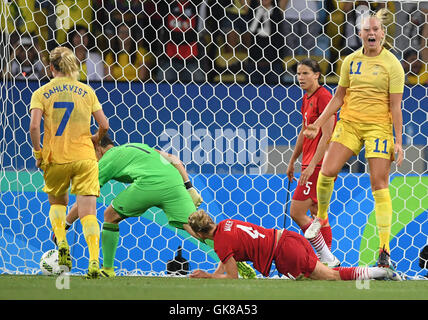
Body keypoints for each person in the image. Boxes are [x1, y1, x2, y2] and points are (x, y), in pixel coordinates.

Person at [58, 135, 257, 279]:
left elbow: (85, 199)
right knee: (197, 229)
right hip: (174, 182)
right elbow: (173, 159)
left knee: (109, 215)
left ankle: (108, 269)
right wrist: (189, 188)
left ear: (97, 148)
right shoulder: (137, 145)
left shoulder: (106, 160)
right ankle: (237, 263)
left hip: (149, 184)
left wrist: (65, 226)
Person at [302, 14, 405, 268]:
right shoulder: (350, 61)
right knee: (327, 170)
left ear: (383, 33)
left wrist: (399, 141)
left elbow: (396, 106)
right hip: (349, 124)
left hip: (378, 128)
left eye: (376, 29)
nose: (371, 33)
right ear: (360, 34)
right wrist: (318, 123)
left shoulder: (392, 65)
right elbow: (338, 98)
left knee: (378, 183)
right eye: (366, 29)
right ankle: (322, 217)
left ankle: (384, 250)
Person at [29, 46, 109, 278]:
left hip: (56, 158)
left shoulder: (42, 92)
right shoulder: (86, 91)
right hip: (85, 157)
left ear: (51, 67)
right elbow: (104, 125)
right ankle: (94, 262)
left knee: (58, 204)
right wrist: (95, 139)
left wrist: (38, 153)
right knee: (88, 213)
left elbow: (34, 127)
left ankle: (62, 244)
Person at [188, 210, 402, 281]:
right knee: (318, 281)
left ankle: (381, 272)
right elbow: (225, 262)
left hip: (286, 254)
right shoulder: (226, 224)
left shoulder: (221, 245)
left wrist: (207, 276)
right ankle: (327, 257)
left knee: (332, 276)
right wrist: (212, 273)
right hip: (288, 238)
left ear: (199, 233)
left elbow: (232, 278)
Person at [286, 58, 338, 267]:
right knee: (318, 215)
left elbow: (327, 136)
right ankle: (326, 262)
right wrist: (292, 161)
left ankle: (325, 257)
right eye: (298, 74)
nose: (300, 78)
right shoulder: (307, 99)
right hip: (310, 163)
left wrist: (312, 165)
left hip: (319, 165)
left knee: (296, 212)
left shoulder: (325, 97)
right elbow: (304, 131)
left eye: (305, 73)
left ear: (317, 75)